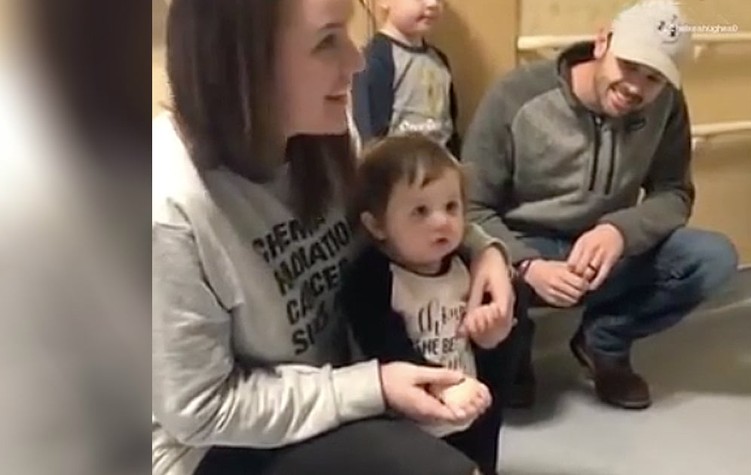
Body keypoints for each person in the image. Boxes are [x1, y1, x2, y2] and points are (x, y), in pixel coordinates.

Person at [152, 1, 515, 475]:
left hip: (343, 373)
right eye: (327, 41)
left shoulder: (325, 131)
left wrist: (482, 249)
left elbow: (389, 215)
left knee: (502, 313)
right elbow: (202, 409)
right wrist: (374, 388)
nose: (357, 60)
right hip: (222, 443)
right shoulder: (168, 207)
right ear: (241, 63)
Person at [461, 0, 738, 410]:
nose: (636, 88)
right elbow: (472, 208)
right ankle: (514, 353)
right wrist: (527, 264)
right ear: (602, 42)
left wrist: (620, 231)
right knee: (470, 262)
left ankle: (603, 341)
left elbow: (674, 192)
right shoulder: (514, 96)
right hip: (523, 246)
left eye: (655, 77)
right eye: (629, 65)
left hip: (606, 253)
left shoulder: (666, 106)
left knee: (712, 258)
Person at [342, 134, 528, 475]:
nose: (442, 221)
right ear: (376, 225)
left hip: (468, 404)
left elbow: (484, 341)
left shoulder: (463, 262)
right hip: (407, 422)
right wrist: (444, 386)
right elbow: (386, 347)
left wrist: (492, 330)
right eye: (420, 211)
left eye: (451, 207)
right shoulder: (372, 278)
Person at [351, 0, 461, 155]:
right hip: (398, 171)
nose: (432, 4)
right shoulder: (377, 59)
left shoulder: (439, 61)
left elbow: (450, 128)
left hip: (439, 168)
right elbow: (370, 137)